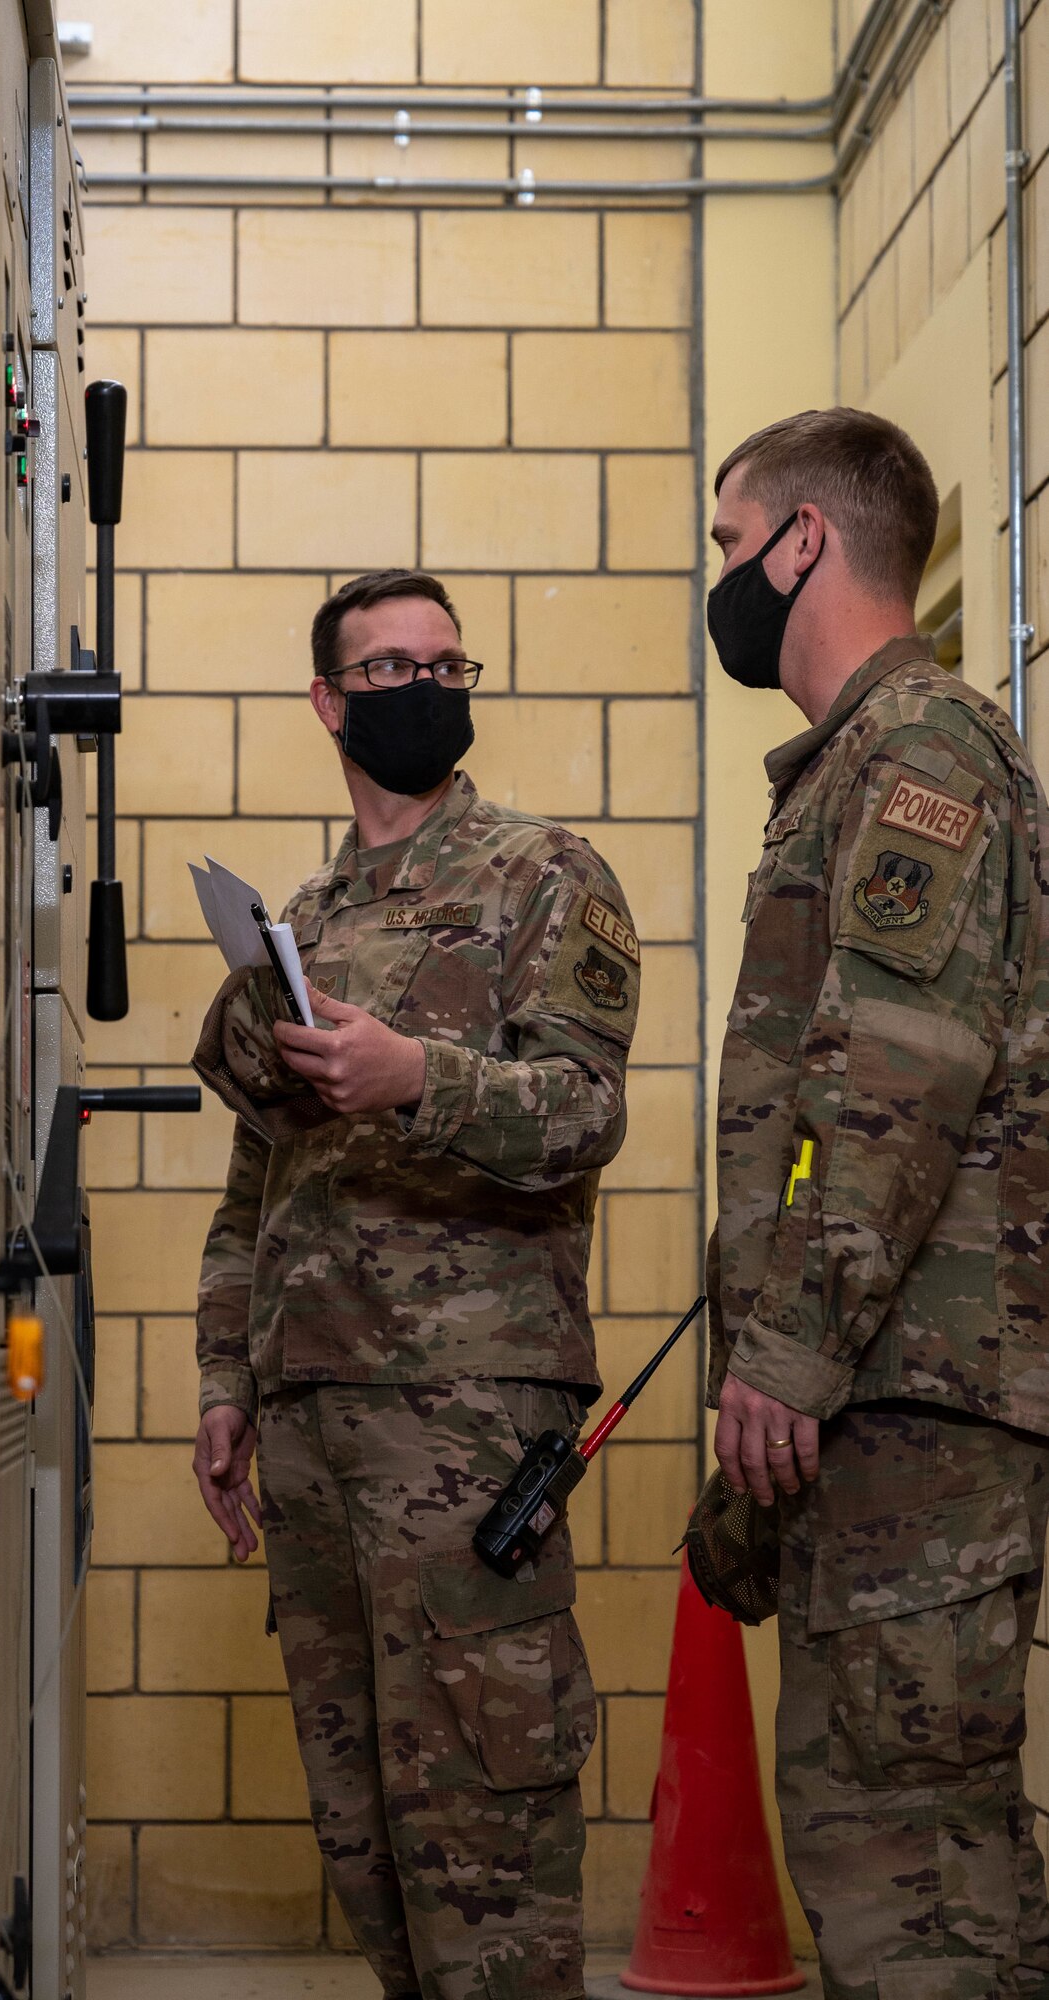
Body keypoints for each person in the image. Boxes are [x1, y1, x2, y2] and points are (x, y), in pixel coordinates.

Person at [188, 568, 640, 2000]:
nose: (422, 687)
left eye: (445, 662)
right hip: (314, 1421)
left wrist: (416, 1079)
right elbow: (256, 1186)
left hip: (463, 1419)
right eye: (385, 668)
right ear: (330, 703)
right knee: (366, 1829)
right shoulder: (303, 923)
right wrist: (224, 1386)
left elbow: (585, 1112)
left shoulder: (543, 874)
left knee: (483, 1832)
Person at [706, 407, 1049, 1998]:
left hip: (915, 1390)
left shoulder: (919, 753)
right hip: (875, 1387)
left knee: (907, 1857)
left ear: (803, 544)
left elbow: (902, 1072)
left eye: (730, 545)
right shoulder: (855, 763)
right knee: (880, 1834)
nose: (722, 581)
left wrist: (791, 1350)